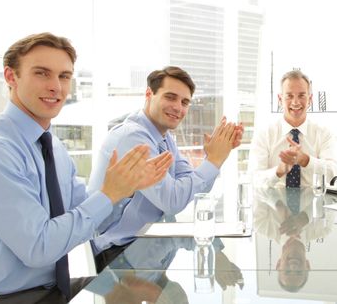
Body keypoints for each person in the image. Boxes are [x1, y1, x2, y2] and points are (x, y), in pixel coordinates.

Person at [0, 32, 172, 303]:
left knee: (151, 291)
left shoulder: (56, 148)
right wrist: (108, 194)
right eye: (42, 73)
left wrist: (125, 190)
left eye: (64, 76)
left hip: (55, 287)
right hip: (14, 297)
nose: (56, 87)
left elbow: (86, 219)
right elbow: (38, 248)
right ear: (11, 77)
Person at [88, 66, 243, 272]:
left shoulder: (163, 137)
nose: (178, 107)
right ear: (148, 94)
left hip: (147, 246)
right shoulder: (132, 137)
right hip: (119, 257)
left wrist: (213, 157)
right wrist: (213, 160)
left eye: (184, 102)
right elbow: (173, 200)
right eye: (170, 97)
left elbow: (189, 184)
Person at [248, 69, 337, 188]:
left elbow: (334, 174)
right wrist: (279, 171)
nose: (296, 102)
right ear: (280, 99)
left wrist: (306, 161)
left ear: (310, 100)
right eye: (289, 96)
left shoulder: (323, 133)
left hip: (313, 205)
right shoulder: (264, 134)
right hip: (272, 205)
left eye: (301, 95)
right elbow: (253, 179)